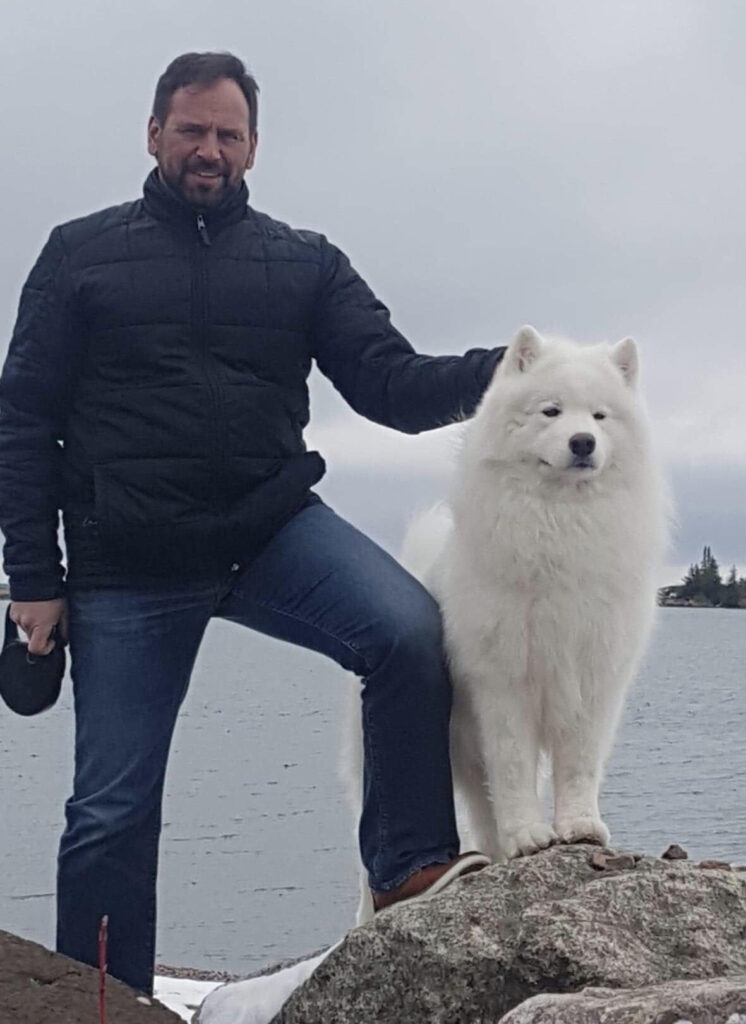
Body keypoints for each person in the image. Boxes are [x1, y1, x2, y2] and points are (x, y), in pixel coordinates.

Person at [0, 51, 503, 994]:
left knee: (406, 634)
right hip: (124, 560)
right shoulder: (78, 253)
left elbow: (391, 385)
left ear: (254, 148)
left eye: (229, 134)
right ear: (153, 135)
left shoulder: (303, 262)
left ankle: (408, 871)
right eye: (191, 130)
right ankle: (102, 1003)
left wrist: (511, 371)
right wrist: (33, 573)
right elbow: (22, 415)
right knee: (111, 809)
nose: (209, 149)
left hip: (270, 532)